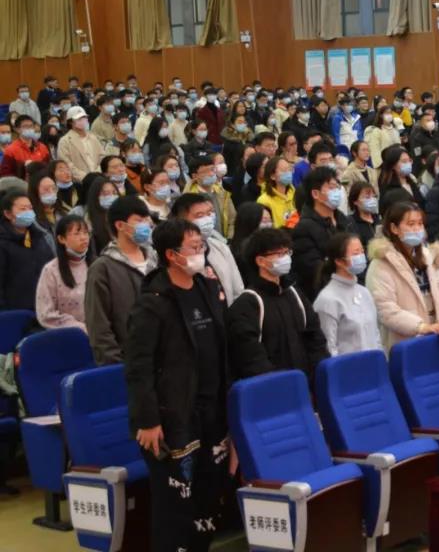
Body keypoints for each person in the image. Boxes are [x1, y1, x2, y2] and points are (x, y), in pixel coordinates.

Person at [126, 219, 230, 552]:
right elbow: (138, 367)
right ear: (172, 255)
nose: (201, 253)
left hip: (212, 410)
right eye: (194, 247)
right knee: (175, 503)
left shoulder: (207, 287)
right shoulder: (152, 302)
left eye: (202, 246)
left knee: (209, 497)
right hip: (173, 416)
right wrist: (148, 419)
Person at [365, 201, 439, 347]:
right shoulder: (381, 264)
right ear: (394, 228)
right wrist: (420, 327)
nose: (417, 229)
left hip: (436, 338)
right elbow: (385, 309)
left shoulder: (427, 256)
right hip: (405, 344)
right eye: (411, 224)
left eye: (420, 224)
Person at [227, 228, 329, 384]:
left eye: (287, 253)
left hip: (305, 384)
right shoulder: (247, 304)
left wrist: (316, 376)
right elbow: (251, 358)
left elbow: (315, 337)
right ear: (260, 261)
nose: (286, 258)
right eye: (279, 254)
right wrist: (279, 384)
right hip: (271, 388)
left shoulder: (295, 294)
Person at [85, 195, 158, 365]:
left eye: (146, 219)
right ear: (120, 225)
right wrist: (115, 363)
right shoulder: (102, 268)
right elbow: (99, 326)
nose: (146, 225)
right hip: (129, 361)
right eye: (139, 220)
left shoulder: (156, 259)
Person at [313, 232, 380, 356]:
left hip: (373, 363)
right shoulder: (327, 299)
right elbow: (329, 346)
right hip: (348, 365)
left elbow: (375, 334)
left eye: (362, 252)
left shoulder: (364, 292)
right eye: (355, 253)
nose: (361, 256)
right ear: (339, 261)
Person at [171, 193, 244, 305]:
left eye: (210, 213)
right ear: (181, 220)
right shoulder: (177, 254)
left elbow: (237, 288)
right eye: (200, 216)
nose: (207, 219)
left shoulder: (221, 247)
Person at [291, 166, 350, 302]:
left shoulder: (343, 220)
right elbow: (313, 271)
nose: (337, 192)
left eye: (337, 187)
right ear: (315, 194)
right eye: (331, 187)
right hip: (324, 296)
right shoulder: (304, 228)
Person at [0, 189, 55, 312]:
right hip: (16, 311)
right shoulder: (3, 243)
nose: (28, 212)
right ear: (8, 214)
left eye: (30, 208)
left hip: (45, 307)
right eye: (22, 209)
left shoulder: (39, 236)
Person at [57, 106, 104, 183]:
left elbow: (102, 157)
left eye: (84, 117)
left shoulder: (93, 137)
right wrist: (86, 178)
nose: (83, 120)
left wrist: (98, 173)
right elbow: (66, 164)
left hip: (99, 179)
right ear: (70, 122)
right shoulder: (64, 141)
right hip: (79, 182)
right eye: (79, 119)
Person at [0, 115, 51, 179]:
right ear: (17, 129)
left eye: (31, 126)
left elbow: (48, 168)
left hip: (41, 181)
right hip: (20, 183)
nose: (29, 128)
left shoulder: (42, 147)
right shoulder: (10, 150)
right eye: (25, 126)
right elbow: (6, 174)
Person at [257, 155, 297, 228]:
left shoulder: (294, 193)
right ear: (272, 176)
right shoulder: (264, 201)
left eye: (289, 169)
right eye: (284, 170)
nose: (288, 173)